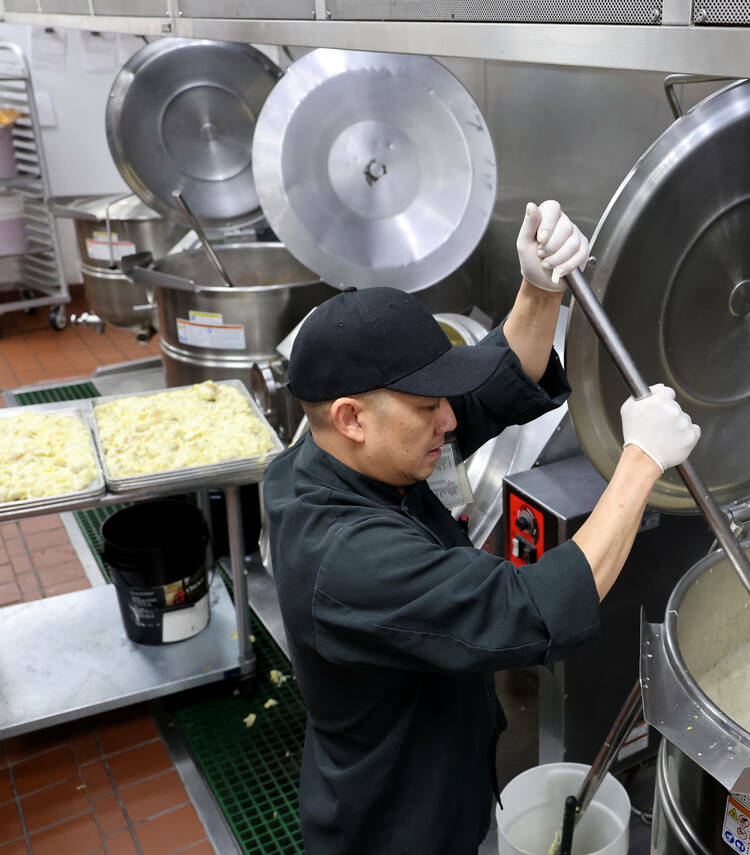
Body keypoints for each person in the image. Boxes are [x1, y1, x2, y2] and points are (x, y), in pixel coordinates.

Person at [263, 201, 701, 854]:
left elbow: (490, 387)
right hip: (397, 823)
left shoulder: (337, 454)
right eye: (425, 406)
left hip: (436, 760)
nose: (448, 421)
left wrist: (540, 288)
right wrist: (641, 463)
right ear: (353, 417)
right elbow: (531, 610)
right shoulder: (346, 556)